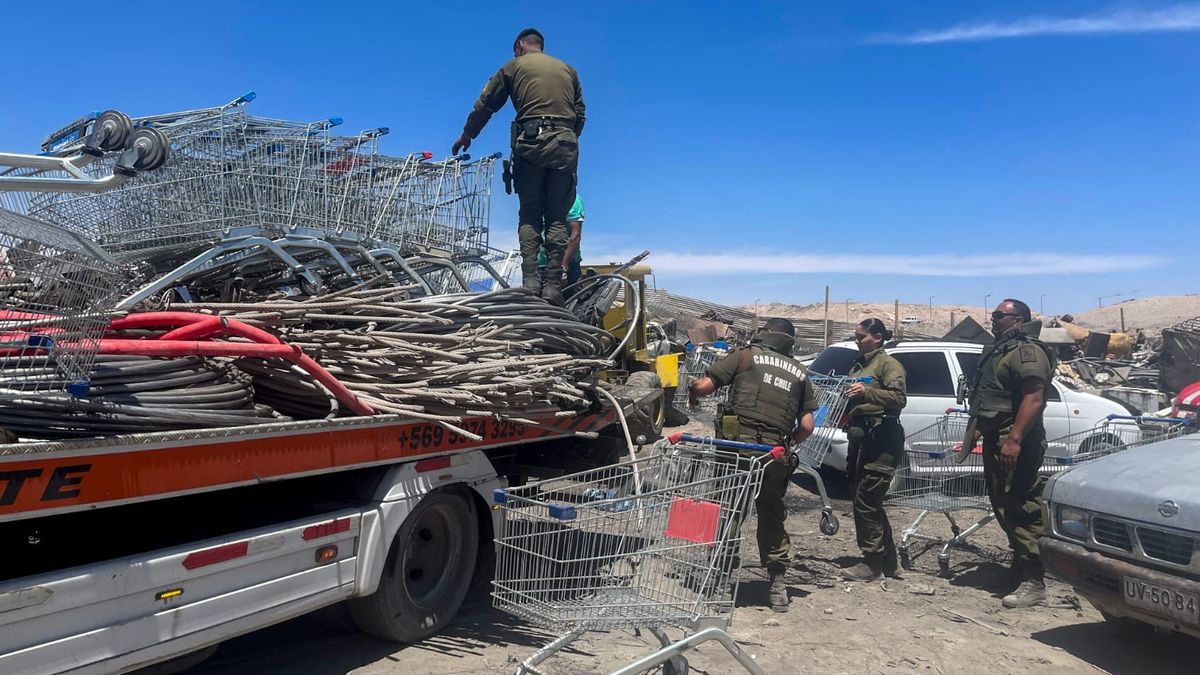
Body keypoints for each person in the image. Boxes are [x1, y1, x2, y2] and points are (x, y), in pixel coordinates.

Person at [688, 318, 818, 613]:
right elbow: (808, 425)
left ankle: (720, 582)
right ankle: (777, 587)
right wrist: (788, 444)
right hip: (774, 455)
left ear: (765, 334)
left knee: (732, 510)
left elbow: (705, 387)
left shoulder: (745, 355)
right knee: (772, 514)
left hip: (738, 450)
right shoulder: (800, 372)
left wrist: (692, 391)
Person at [452, 28, 585, 305]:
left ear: (521, 46)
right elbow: (580, 114)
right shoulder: (569, 70)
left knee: (530, 214)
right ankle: (552, 287)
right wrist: (565, 139)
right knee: (558, 218)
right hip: (566, 146)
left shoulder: (514, 66)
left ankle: (530, 281)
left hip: (531, 144)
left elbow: (487, 104)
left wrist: (468, 135)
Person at [969, 298, 1056, 608]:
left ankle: (1034, 579)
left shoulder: (1026, 351)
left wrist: (1015, 439)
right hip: (999, 438)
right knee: (1003, 503)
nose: (993, 320)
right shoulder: (1002, 351)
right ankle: (1019, 567)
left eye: (999, 316)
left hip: (1016, 440)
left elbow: (1033, 398)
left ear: (1018, 320)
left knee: (1022, 503)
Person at [840, 318, 908, 582]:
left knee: (867, 499)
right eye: (856, 337)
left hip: (881, 437)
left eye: (861, 337)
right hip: (860, 437)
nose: (857, 341)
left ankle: (872, 563)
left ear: (877, 337)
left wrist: (867, 392)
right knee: (864, 498)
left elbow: (899, 398)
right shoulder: (859, 364)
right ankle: (889, 561)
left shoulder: (889, 365)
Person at [537, 191, 584, 287]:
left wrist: (564, 267)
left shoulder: (573, 199)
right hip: (541, 265)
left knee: (572, 299)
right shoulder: (539, 198)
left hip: (567, 265)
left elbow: (575, 235)